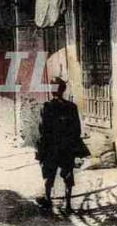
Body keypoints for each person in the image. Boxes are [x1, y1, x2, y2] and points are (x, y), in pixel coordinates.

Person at [36, 79, 89, 213]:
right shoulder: (72, 107)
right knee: (68, 175)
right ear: (63, 89)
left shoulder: (46, 107)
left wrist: (42, 147)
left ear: (51, 90)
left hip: (51, 147)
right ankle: (68, 205)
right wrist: (72, 144)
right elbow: (76, 129)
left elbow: (42, 129)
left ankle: (48, 200)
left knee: (49, 174)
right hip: (66, 146)